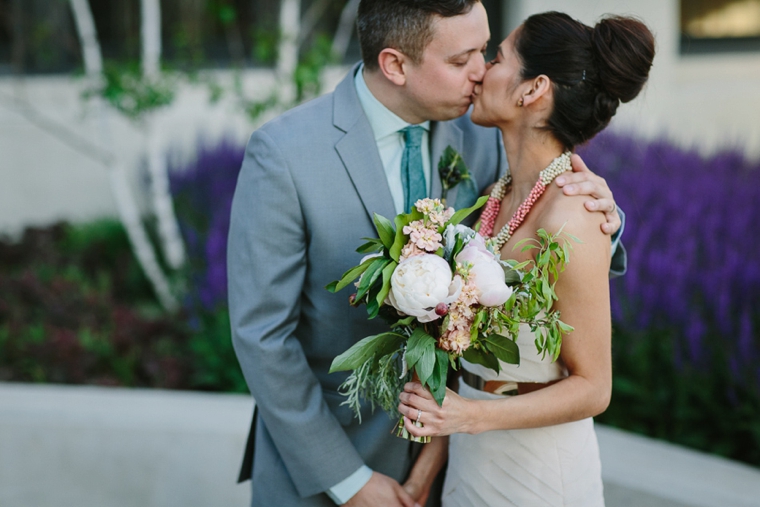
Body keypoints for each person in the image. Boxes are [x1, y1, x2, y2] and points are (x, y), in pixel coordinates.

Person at [227, 2, 626, 506]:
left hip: (451, 468)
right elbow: (263, 338)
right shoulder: (284, 155)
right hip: (326, 468)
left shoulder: (481, 140)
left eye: (485, 51)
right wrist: (349, 481)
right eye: (462, 61)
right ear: (395, 65)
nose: (481, 72)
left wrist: (604, 215)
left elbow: (530, 233)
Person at [397, 11, 655, 506]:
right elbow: (466, 370)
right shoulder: (495, 199)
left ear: (532, 89)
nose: (479, 71)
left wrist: (470, 418)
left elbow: (594, 388)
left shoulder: (572, 216)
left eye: (496, 59)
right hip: (471, 470)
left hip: (538, 478)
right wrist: (422, 478)